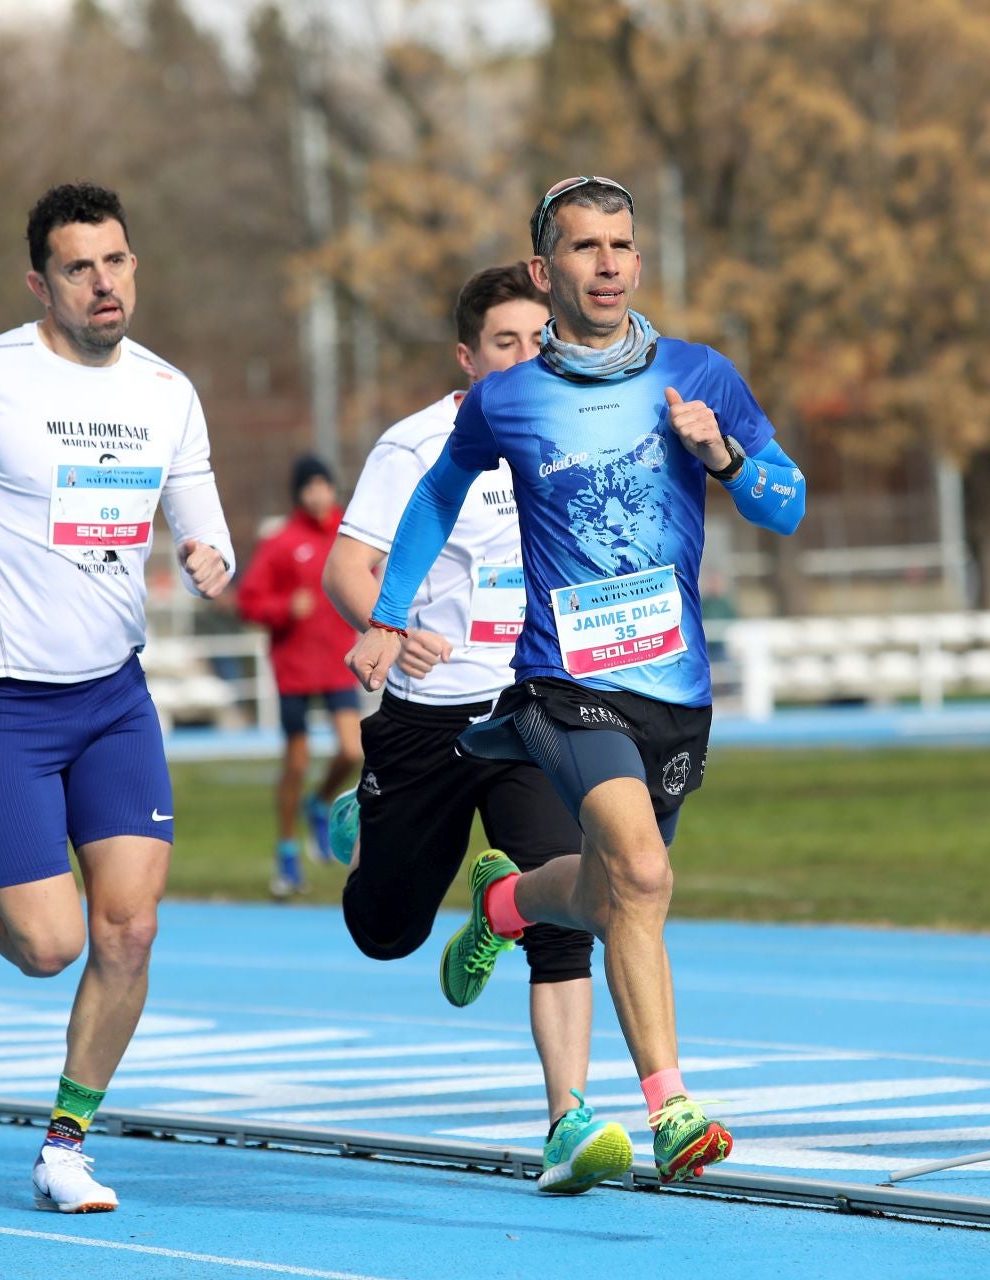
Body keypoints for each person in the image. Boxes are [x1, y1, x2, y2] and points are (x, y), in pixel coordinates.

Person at [345, 176, 806, 1185]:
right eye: (587, 247)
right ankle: (670, 1106)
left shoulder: (697, 375)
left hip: (673, 687)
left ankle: (507, 902)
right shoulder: (507, 399)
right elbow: (435, 494)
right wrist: (389, 615)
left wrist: (722, 454)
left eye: (623, 246)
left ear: (640, 261)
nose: (609, 263)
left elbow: (786, 504)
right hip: (563, 682)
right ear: (547, 271)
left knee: (606, 891)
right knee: (642, 873)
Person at [0, 183, 234, 1214]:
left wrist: (211, 555)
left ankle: (66, 1143)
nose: (104, 282)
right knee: (51, 943)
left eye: (117, 260)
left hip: (114, 696)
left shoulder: (167, 390)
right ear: (41, 282)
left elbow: (208, 526)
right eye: (80, 266)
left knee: (130, 930)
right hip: (4, 703)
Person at [320, 263, 631, 1194]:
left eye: (542, 339)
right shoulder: (417, 446)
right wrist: (389, 625)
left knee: (571, 915)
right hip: (427, 723)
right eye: (507, 343)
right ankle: (364, 824)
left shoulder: (580, 435)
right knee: (386, 931)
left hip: (535, 709)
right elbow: (349, 566)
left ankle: (568, 1120)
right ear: (469, 359)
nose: (529, 357)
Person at [235, 455, 361, 895]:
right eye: (309, 487)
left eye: (324, 486)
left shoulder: (350, 529)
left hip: (340, 663)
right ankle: (287, 852)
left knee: (352, 749)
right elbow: (248, 601)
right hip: (294, 669)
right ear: (298, 494)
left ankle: (320, 802)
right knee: (297, 762)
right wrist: (284, 608)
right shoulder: (281, 542)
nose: (318, 495)